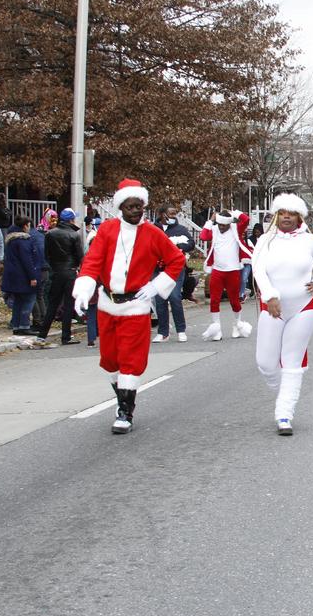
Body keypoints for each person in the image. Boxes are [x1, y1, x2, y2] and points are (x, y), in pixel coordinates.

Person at [72, 179, 186, 434]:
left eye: (140, 206)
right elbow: (93, 260)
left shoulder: (153, 233)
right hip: (107, 304)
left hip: (136, 305)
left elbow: (176, 260)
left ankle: (126, 410)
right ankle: (121, 397)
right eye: (131, 206)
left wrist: (156, 286)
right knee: (110, 360)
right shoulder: (107, 230)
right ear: (121, 206)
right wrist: (84, 288)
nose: (136, 211)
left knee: (130, 360)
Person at [252, 194, 313, 435]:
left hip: (303, 308)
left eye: (291, 213)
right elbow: (258, 269)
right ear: (276, 215)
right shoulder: (265, 241)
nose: (286, 217)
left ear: (299, 216)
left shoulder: (309, 241)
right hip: (273, 308)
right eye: (282, 213)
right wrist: (269, 295)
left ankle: (284, 414)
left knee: (292, 363)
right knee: (266, 363)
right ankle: (283, 390)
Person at [200, 209, 253, 341]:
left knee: (234, 301)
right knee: (214, 300)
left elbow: (246, 219)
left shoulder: (236, 229)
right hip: (217, 271)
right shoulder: (215, 229)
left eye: (224, 225)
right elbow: (203, 236)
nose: (221, 227)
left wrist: (233, 212)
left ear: (229, 223)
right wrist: (211, 221)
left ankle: (237, 325)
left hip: (233, 271)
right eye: (219, 224)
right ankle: (216, 329)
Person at [35, 209, 85, 346]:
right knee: (68, 305)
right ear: (71, 220)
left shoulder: (50, 234)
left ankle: (42, 335)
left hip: (56, 272)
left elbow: (47, 255)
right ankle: (66, 336)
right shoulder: (74, 235)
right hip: (70, 271)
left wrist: (54, 267)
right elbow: (80, 256)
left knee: (52, 303)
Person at [152, 204, 194, 343]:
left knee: (175, 297)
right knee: (160, 299)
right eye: (170, 214)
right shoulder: (153, 229)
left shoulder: (180, 229)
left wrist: (178, 246)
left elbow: (191, 243)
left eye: (175, 214)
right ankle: (163, 332)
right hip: (158, 268)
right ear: (162, 214)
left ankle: (181, 330)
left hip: (176, 268)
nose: (173, 216)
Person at [0, 216, 40, 336]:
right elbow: (27, 260)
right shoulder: (24, 241)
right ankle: (24, 325)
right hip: (23, 276)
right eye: (28, 225)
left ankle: (16, 325)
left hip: (12, 276)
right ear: (25, 226)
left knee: (18, 301)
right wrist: (33, 276)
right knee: (29, 299)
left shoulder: (10, 241)